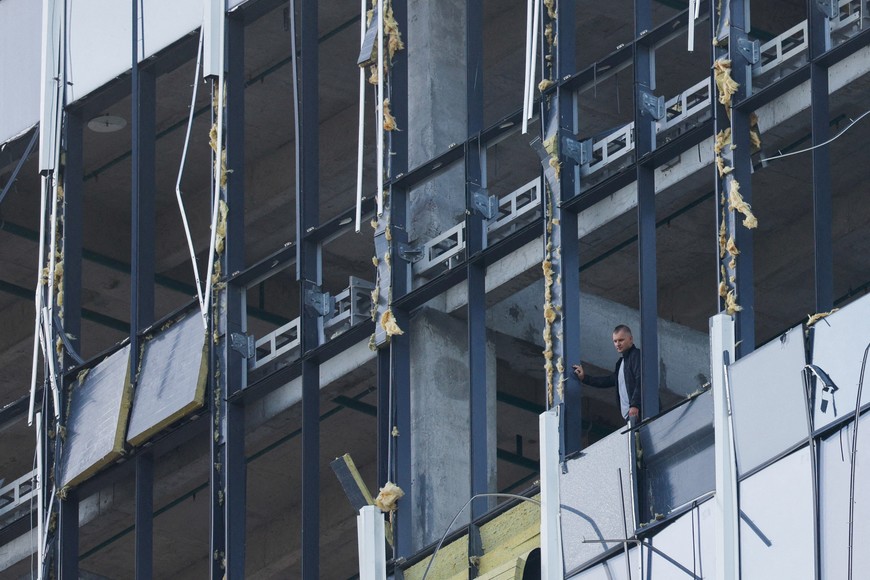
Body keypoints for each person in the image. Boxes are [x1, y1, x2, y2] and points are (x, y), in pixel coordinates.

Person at [572, 324, 641, 421]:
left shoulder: (636, 355)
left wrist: (635, 405)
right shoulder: (621, 363)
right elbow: (607, 381)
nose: (617, 344)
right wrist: (584, 378)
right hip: (631, 417)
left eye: (621, 340)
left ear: (630, 339)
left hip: (640, 413)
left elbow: (641, 381)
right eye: (615, 341)